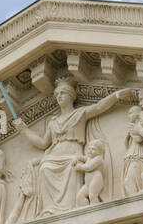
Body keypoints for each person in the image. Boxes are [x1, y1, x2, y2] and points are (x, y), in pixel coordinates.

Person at [12, 78, 133, 214]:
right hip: (53, 157)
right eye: (57, 94)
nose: (59, 96)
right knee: (44, 168)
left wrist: (116, 96)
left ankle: (71, 208)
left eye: (62, 93)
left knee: (72, 167)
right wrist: (24, 130)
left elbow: (99, 106)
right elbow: (42, 143)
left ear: (70, 95)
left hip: (72, 155)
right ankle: (49, 211)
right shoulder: (53, 121)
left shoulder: (79, 114)